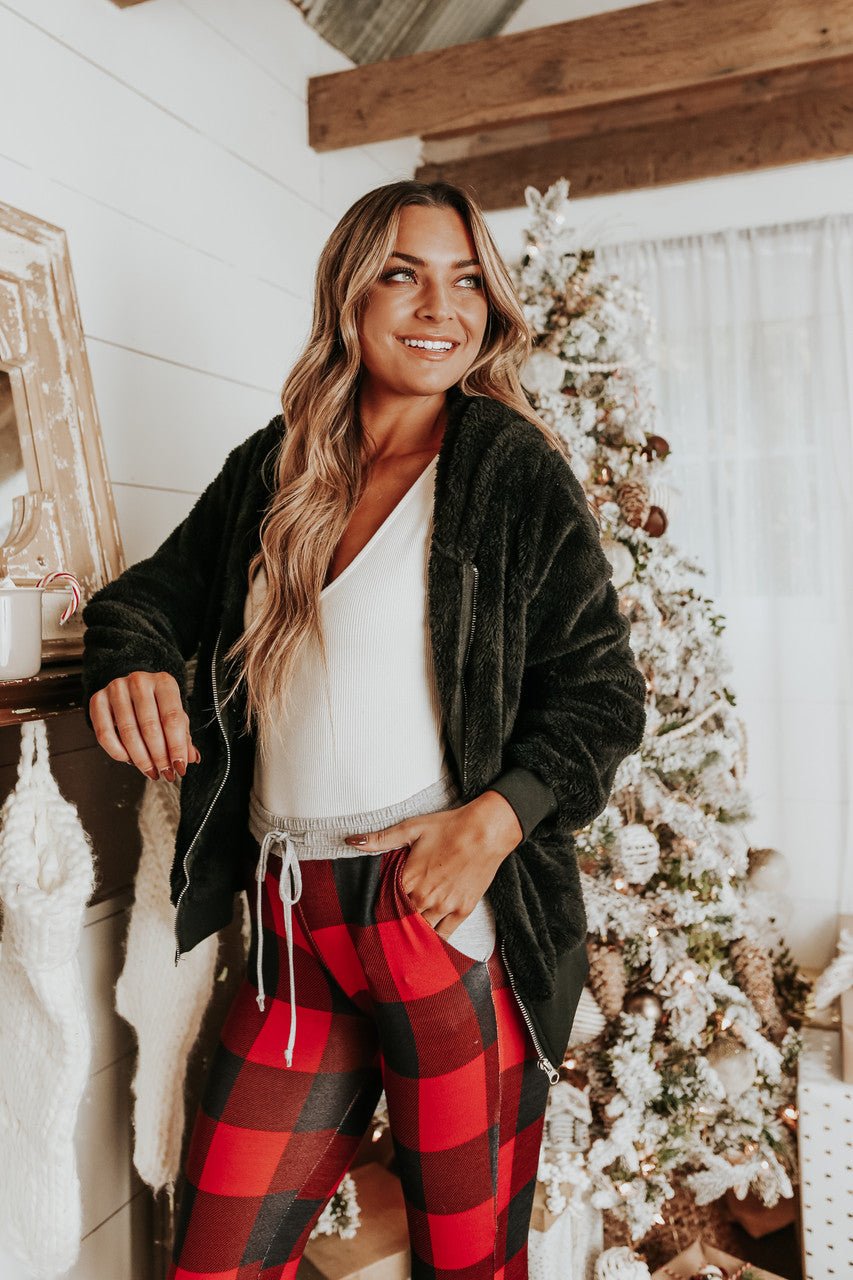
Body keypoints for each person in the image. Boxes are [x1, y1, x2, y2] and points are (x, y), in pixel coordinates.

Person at [82, 179, 647, 1280]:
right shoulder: (275, 464)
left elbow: (602, 690)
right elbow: (147, 596)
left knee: (467, 1267)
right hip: (289, 922)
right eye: (403, 271)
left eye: (467, 278)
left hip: (435, 912)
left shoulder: (508, 470)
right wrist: (132, 658)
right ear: (350, 293)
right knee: (215, 1263)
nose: (441, 305)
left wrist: (495, 819)